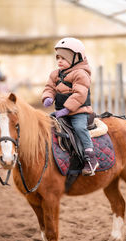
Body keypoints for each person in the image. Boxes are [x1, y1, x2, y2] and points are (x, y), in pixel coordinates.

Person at [41, 37, 99, 176]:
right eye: (58, 58)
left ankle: (91, 157)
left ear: (76, 58)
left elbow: (79, 94)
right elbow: (49, 87)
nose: (59, 61)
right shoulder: (55, 74)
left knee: (79, 128)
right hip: (61, 111)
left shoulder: (81, 74)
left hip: (78, 112)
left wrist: (67, 109)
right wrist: (48, 97)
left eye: (64, 58)